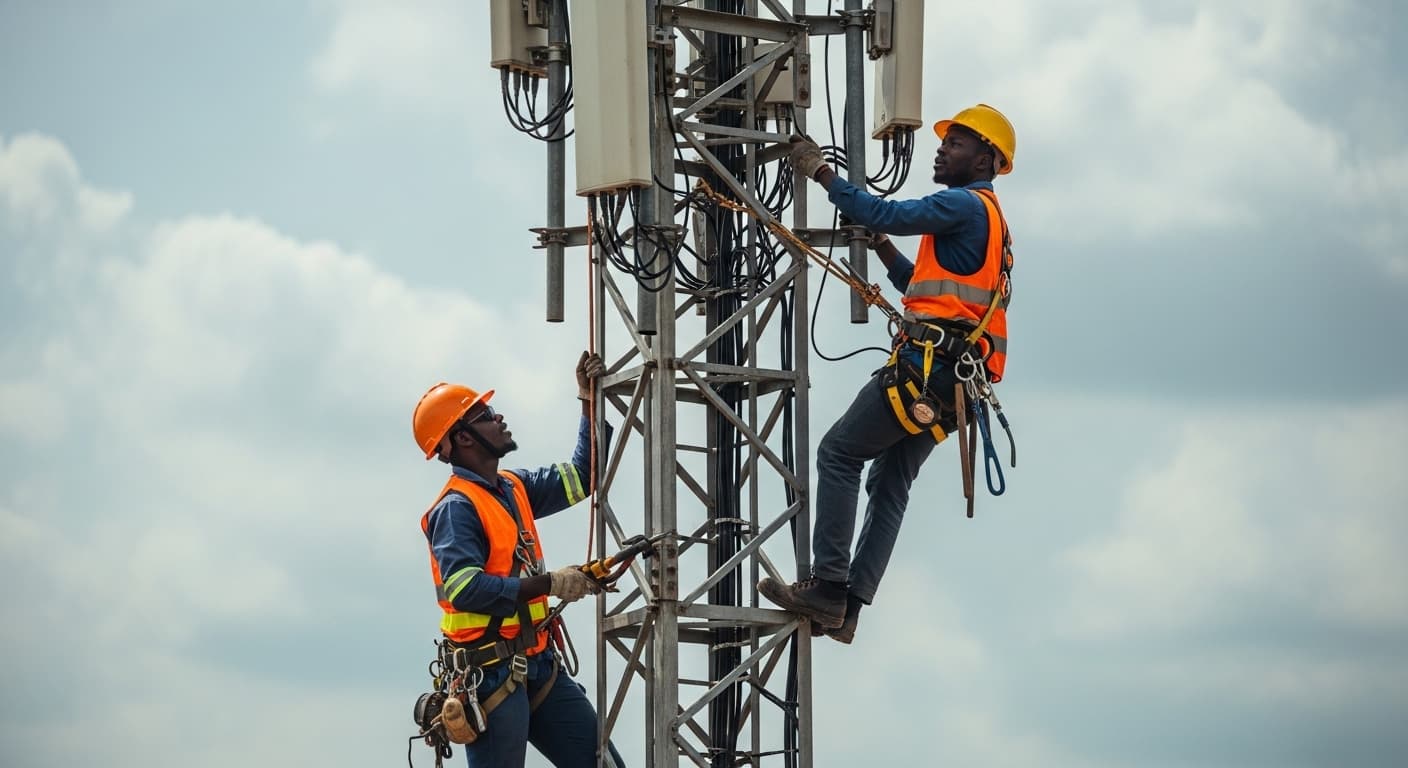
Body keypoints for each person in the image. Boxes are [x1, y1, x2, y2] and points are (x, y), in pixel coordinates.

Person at [758, 104, 1017, 645]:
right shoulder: (990, 223)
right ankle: (849, 608)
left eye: (958, 143)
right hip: (955, 384)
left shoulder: (962, 206)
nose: (943, 149)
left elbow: (887, 211)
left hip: (930, 370)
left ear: (986, 159)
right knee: (890, 481)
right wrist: (880, 247)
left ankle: (828, 587)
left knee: (839, 453)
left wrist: (820, 172)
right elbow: (922, 285)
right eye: (947, 141)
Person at [413, 351, 625, 767]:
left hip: (539, 663)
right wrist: (553, 583)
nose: (499, 418)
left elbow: (585, 476)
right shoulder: (456, 509)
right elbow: (465, 590)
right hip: (490, 674)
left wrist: (588, 400)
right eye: (485, 414)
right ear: (463, 438)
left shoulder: (513, 487)